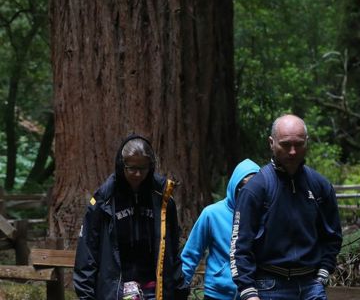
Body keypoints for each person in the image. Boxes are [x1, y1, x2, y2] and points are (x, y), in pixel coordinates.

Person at [230, 114, 343, 300]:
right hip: (268, 285)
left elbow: (333, 236)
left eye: (298, 144)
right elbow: (239, 245)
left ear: (307, 142)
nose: (292, 151)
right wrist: (248, 292)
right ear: (271, 143)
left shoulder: (320, 185)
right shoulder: (256, 189)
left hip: (311, 285)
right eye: (285, 144)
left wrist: (323, 273)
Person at [73, 134, 188, 300]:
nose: (137, 174)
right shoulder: (103, 200)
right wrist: (86, 295)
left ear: (151, 166)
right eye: (131, 168)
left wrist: (180, 290)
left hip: (155, 291)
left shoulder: (162, 199)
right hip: (115, 291)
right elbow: (87, 253)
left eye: (143, 168)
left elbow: (172, 250)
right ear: (121, 165)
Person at [181, 159, 260, 300]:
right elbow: (191, 255)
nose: (248, 194)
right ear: (235, 186)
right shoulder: (212, 214)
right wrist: (179, 289)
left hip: (253, 293)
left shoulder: (263, 215)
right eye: (244, 188)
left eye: (254, 190)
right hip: (217, 292)